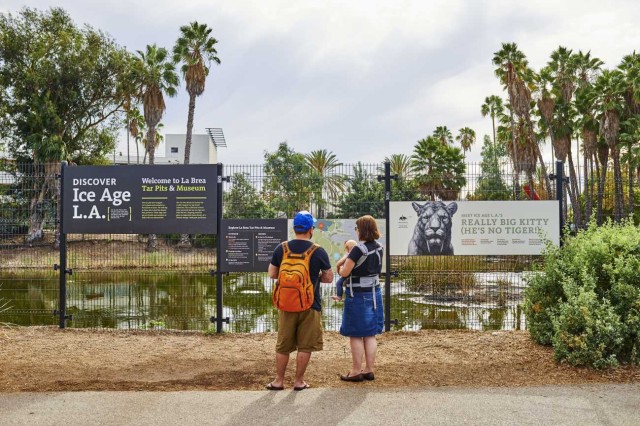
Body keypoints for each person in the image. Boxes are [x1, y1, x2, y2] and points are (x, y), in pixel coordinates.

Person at [266, 211, 333, 391]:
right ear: (311, 229)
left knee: (283, 344)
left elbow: (272, 274)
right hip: (310, 304)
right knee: (305, 345)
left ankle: (278, 381)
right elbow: (328, 278)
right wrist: (316, 274)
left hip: (286, 304)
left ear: (294, 228)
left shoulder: (282, 248)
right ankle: (298, 381)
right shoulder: (318, 251)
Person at [338, 215, 384, 382]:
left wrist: (340, 268)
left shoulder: (358, 249)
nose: (356, 231)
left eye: (357, 228)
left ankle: (356, 370)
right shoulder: (379, 247)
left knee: (356, 334)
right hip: (374, 293)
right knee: (370, 333)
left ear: (362, 230)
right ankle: (369, 369)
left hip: (357, 294)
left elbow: (344, 272)